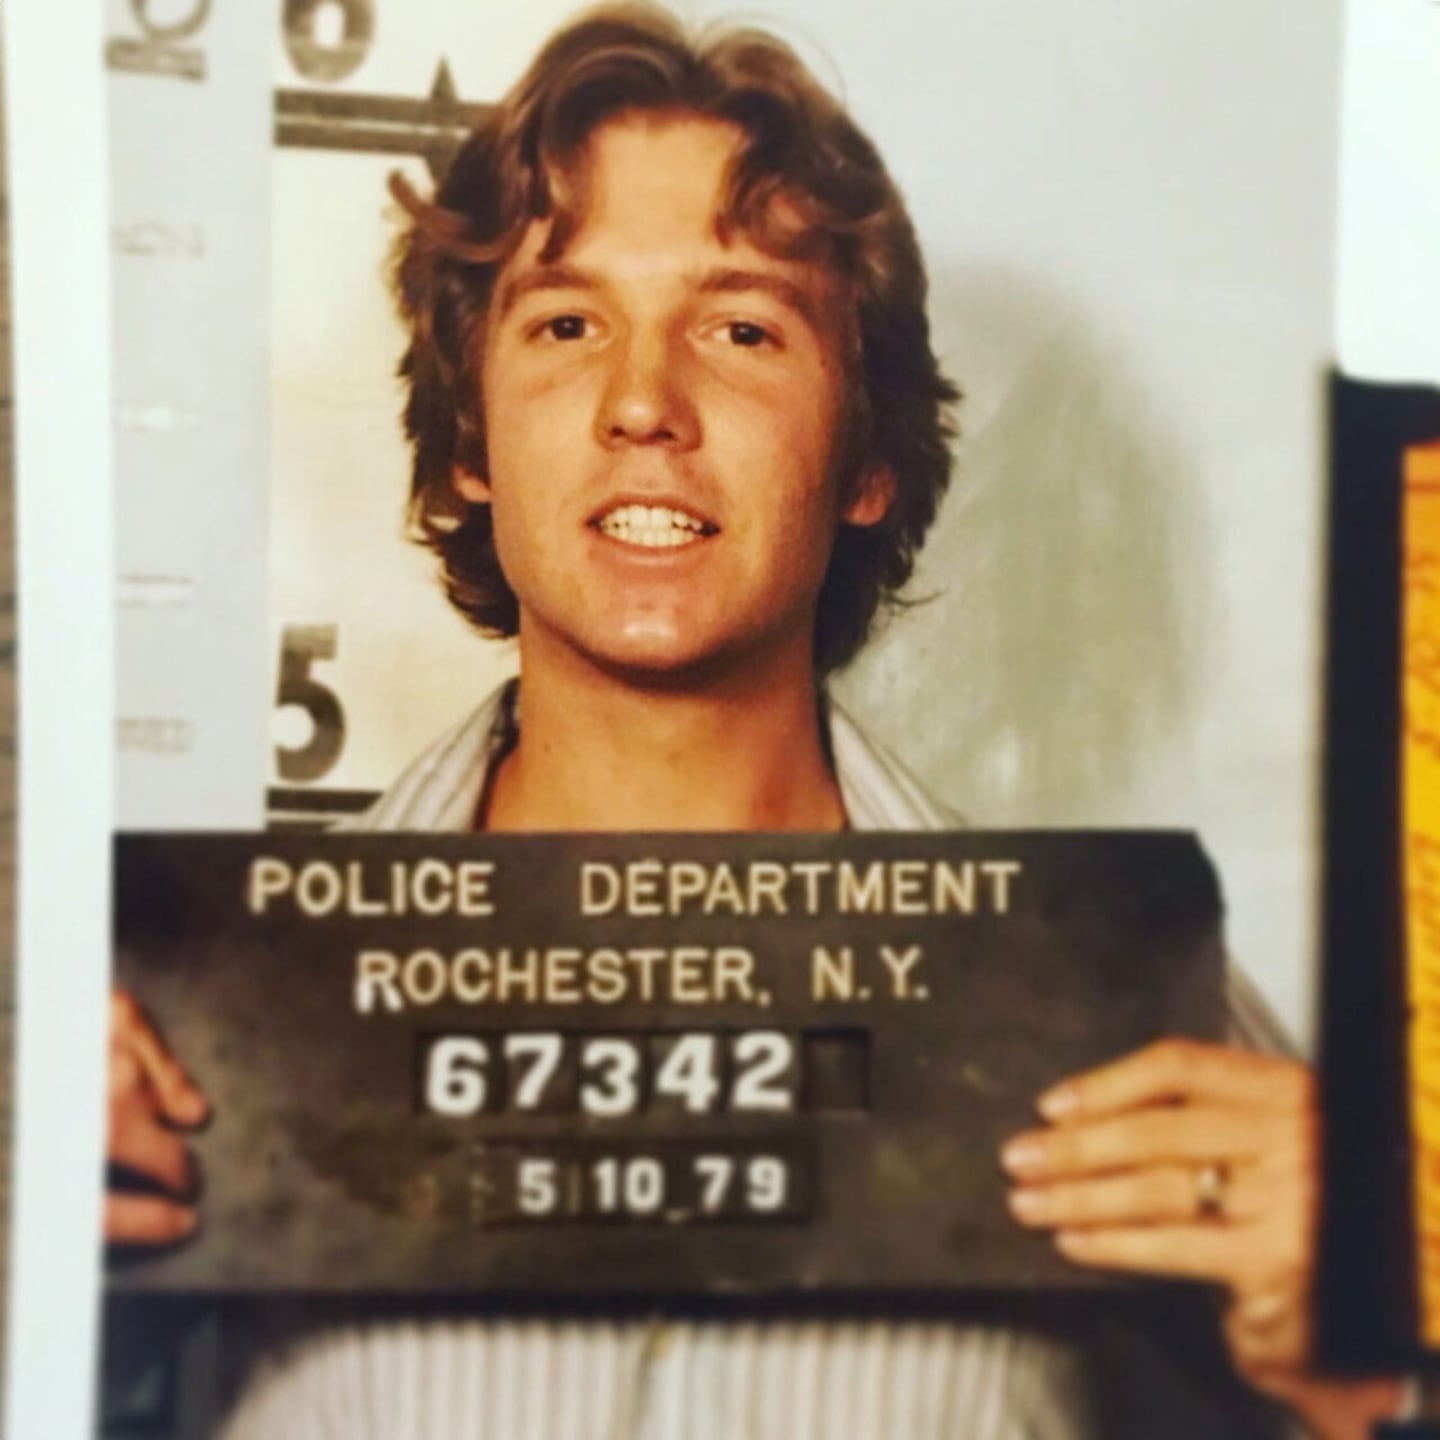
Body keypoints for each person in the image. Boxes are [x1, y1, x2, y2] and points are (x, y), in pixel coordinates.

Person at [106, 5, 1406, 1436]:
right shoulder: (181, 1018)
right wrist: (33, 1249)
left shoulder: (1116, 1007)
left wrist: (1367, 1369)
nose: (643, 404)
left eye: (741, 328)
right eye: (567, 324)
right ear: (472, 437)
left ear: (864, 459)